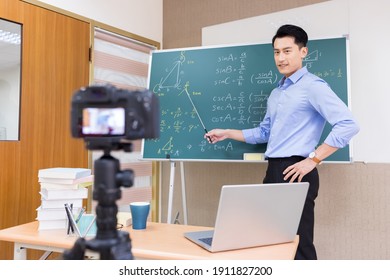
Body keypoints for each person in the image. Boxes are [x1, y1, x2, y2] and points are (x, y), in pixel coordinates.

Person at [205, 24, 360, 260]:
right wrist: (227, 132)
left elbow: (349, 124)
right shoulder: (277, 93)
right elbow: (265, 132)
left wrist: (313, 160)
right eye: (277, 52)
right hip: (274, 169)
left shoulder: (313, 87)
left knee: (299, 244)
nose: (281, 58)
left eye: (287, 51)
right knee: (274, 243)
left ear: (303, 52)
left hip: (296, 170)